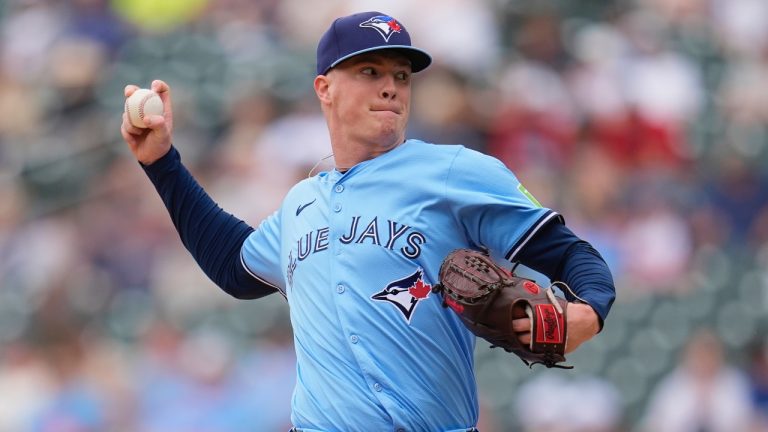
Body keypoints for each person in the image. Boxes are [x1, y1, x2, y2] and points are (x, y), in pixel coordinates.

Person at [119, 11, 616, 432]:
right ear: (324, 88)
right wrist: (162, 164)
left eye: (401, 76)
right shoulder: (300, 203)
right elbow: (234, 266)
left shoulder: (453, 171)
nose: (390, 88)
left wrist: (588, 310)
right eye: (370, 72)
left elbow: (570, 253)